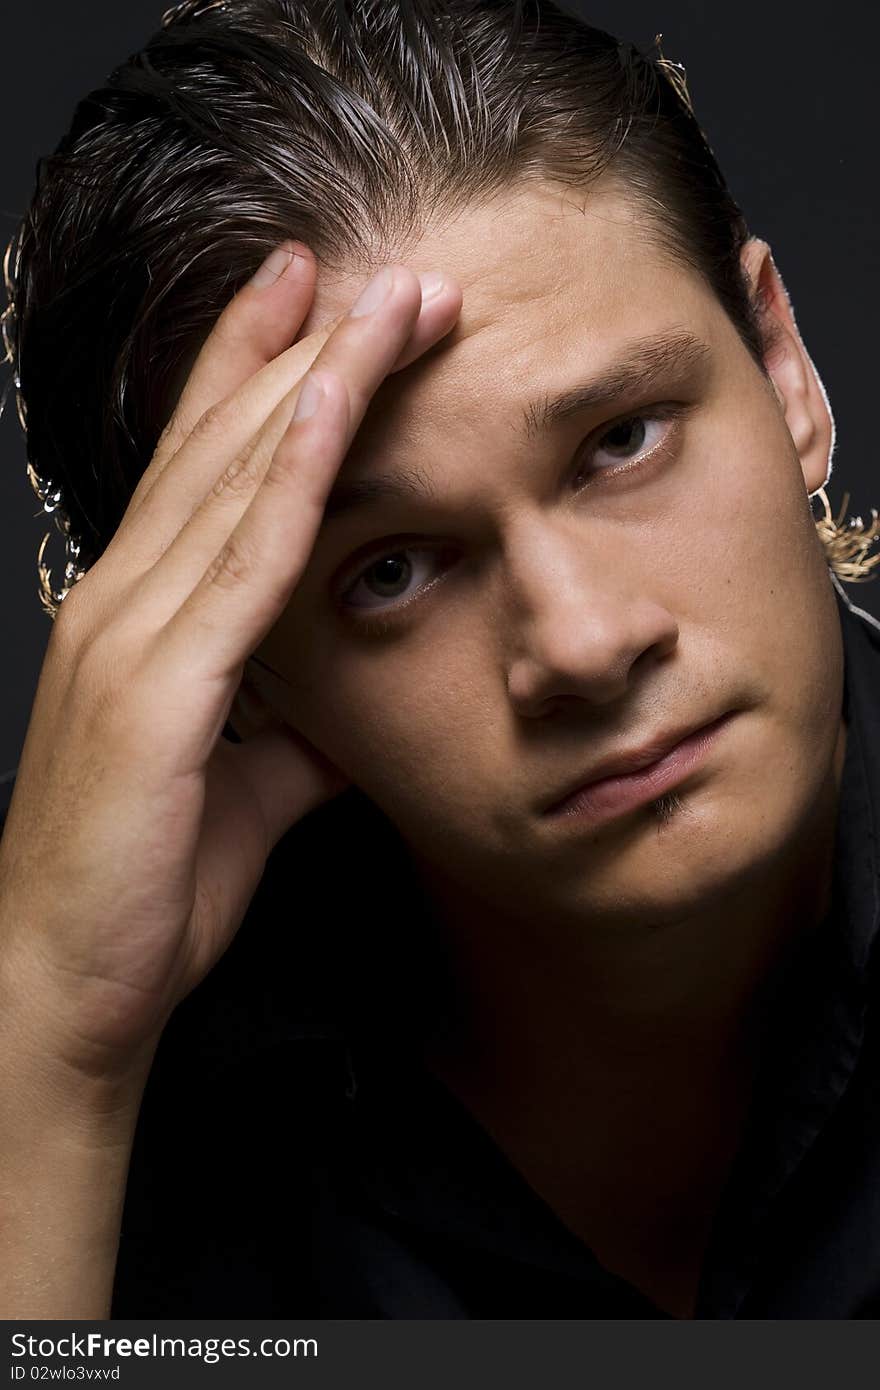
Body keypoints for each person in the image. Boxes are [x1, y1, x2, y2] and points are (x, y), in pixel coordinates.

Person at [1, 0, 880, 1322]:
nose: (583, 643)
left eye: (622, 440)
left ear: (786, 374)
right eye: (392, 571)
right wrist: (55, 1038)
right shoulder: (128, 1096)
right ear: (242, 662)